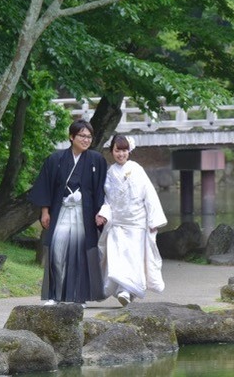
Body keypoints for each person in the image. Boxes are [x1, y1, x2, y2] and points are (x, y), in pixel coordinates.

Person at [28, 119, 107, 305]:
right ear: (72, 137)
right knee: (57, 250)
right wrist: (45, 212)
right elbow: (46, 186)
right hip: (62, 210)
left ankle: (78, 297)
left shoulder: (97, 160)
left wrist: (101, 211)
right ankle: (54, 295)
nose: (86, 140)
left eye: (89, 137)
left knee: (80, 254)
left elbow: (101, 190)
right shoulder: (55, 159)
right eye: (82, 136)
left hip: (84, 213)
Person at [97, 135, 166, 306]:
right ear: (112, 151)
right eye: (117, 150)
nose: (121, 154)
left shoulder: (136, 169)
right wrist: (104, 213)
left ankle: (126, 291)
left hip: (136, 222)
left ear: (129, 151)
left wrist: (153, 220)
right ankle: (123, 290)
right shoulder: (110, 173)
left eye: (124, 150)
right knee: (117, 257)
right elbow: (107, 199)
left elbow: (149, 194)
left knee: (133, 258)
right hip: (118, 222)